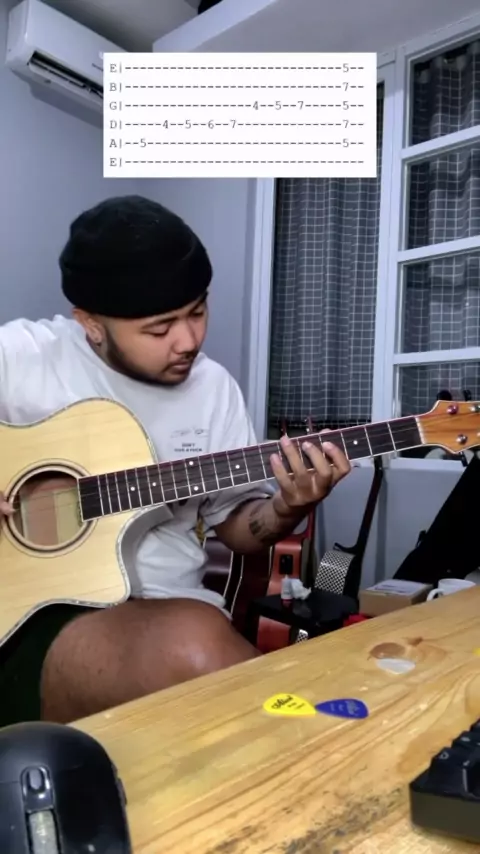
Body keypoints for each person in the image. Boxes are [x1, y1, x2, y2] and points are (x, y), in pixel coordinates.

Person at [0, 195, 351, 724]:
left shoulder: (214, 390)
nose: (189, 341)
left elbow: (238, 532)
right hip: (26, 614)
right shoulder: (23, 357)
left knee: (202, 644)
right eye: (160, 329)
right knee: (197, 646)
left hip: (166, 606)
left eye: (198, 312)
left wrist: (288, 507)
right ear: (90, 323)